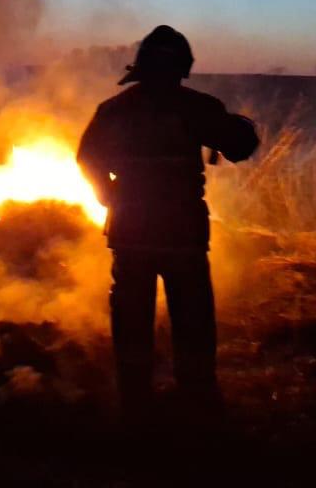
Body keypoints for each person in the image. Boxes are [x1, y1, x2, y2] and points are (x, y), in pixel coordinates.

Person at [76, 25, 258, 420]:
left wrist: (109, 196)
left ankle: (135, 401)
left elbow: (86, 157)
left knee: (131, 318)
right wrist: (238, 126)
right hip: (182, 233)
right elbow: (241, 147)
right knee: (192, 316)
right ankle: (197, 399)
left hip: (131, 232)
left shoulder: (114, 110)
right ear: (181, 67)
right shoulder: (195, 107)